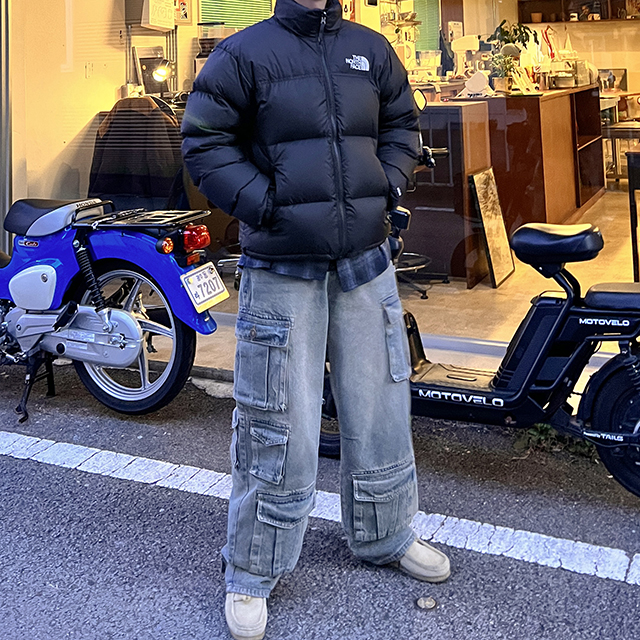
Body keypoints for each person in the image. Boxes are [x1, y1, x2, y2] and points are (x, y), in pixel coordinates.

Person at [181, 1, 451, 638]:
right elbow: (204, 142)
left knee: (382, 408)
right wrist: (267, 204)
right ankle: (252, 569)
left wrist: (385, 183)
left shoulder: (371, 48)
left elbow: (402, 124)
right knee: (277, 419)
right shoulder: (243, 53)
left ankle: (386, 534)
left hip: (367, 263)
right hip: (281, 267)